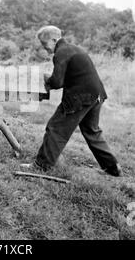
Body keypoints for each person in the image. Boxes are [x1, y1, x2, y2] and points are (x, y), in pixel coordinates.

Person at [22, 25, 122, 177]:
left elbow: (57, 82)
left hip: (80, 97)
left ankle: (41, 166)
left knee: (56, 128)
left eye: (45, 44)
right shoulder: (74, 49)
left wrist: (47, 78)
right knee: (91, 131)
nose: (45, 49)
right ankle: (113, 169)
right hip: (97, 94)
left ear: (54, 40)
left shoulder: (60, 53)